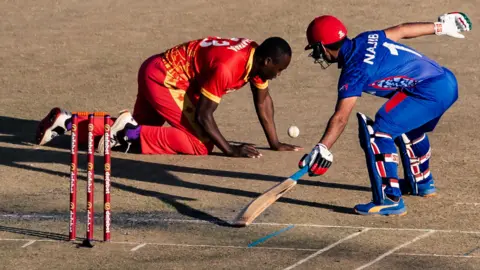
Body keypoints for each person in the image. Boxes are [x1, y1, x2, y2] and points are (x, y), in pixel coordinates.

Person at [298, 13, 472, 215]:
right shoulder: (366, 38)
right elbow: (403, 29)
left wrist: (323, 147)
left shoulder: (354, 71)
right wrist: (440, 27)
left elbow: (341, 117)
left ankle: (389, 199)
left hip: (430, 91)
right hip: (445, 80)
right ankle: (421, 182)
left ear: (321, 46)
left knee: (379, 130)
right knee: (402, 122)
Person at [36, 36, 302, 157]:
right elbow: (204, 116)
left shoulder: (255, 60)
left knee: (141, 130)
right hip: (165, 79)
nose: (278, 75)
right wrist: (230, 149)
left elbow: (263, 100)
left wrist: (275, 142)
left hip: (156, 69)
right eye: (279, 69)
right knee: (201, 143)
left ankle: (66, 123)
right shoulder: (229, 67)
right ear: (267, 61)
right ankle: (128, 133)